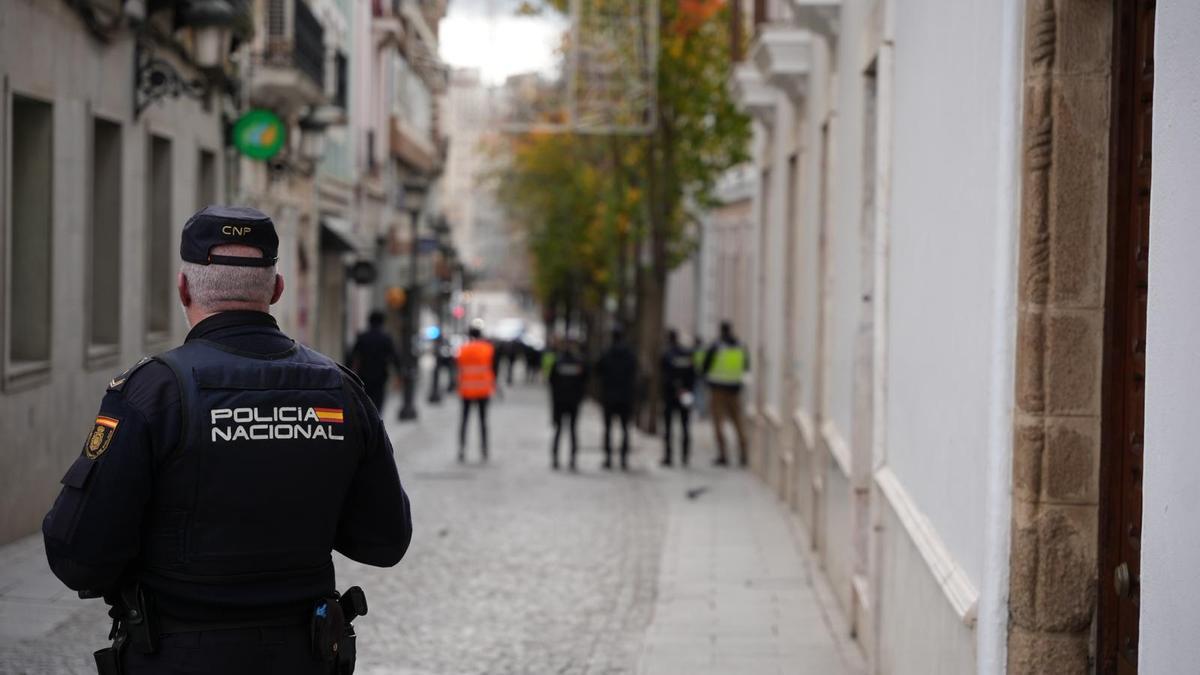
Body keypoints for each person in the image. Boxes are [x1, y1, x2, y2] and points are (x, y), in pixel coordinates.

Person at [41, 206, 412, 674]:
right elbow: (385, 541)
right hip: (305, 654)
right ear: (277, 289)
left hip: (178, 654)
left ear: (183, 287)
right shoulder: (340, 389)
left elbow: (79, 555)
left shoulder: (153, 391)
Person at [702, 320, 750, 466]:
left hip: (718, 390)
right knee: (738, 423)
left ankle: (723, 455)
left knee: (718, 424)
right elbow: (746, 367)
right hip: (735, 391)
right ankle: (743, 454)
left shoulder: (716, 347)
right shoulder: (741, 347)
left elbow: (705, 367)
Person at [595, 328, 638, 470]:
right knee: (625, 429)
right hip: (626, 396)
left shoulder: (607, 352)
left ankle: (608, 459)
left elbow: (597, 370)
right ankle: (623, 459)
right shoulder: (630, 354)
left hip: (609, 396)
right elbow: (634, 371)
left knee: (608, 429)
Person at [457, 321, 496, 462]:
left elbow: (459, 367)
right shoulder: (488, 349)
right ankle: (484, 448)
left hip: (466, 390)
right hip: (483, 390)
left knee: (464, 421)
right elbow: (492, 368)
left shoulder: (463, 349)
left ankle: (461, 448)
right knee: (483, 421)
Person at [349, 309, 401, 412]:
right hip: (380, 377)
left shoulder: (362, 337)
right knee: (378, 404)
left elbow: (352, 357)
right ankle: (376, 422)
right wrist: (398, 375)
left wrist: (349, 374)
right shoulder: (386, 338)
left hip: (363, 376)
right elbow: (395, 358)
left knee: (365, 402)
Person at [548, 339, 588, 470]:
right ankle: (572, 459)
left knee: (558, 430)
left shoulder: (557, 363)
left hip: (560, 402)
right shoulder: (579, 364)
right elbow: (584, 382)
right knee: (572, 430)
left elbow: (551, 383)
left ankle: (555, 459)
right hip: (573, 402)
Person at [660, 329, 696, 467]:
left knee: (668, 427)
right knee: (685, 425)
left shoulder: (666, 354)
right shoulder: (687, 354)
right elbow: (693, 374)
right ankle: (685, 457)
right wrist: (687, 389)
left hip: (670, 394)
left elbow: (664, 374)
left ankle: (668, 456)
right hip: (685, 394)